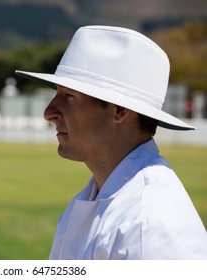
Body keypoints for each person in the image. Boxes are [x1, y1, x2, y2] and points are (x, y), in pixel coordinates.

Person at [15, 25, 207, 259]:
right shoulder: (97, 200)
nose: (49, 112)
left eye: (69, 96)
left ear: (120, 110)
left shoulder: (144, 228)